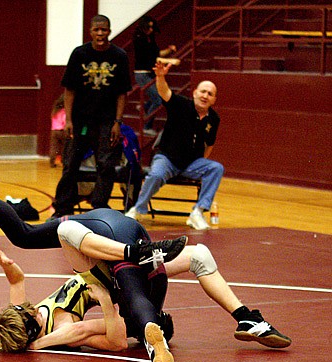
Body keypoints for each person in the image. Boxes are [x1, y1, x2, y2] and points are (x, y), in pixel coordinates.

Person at [0, 164, 291, 350]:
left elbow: (101, 335)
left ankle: (138, 255)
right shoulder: (31, 310)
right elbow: (18, 285)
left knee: (124, 287)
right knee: (200, 256)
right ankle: (247, 318)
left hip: (101, 249)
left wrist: (36, 346)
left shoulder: (57, 328)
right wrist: (6, 267)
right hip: (101, 225)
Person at [0, 238, 175, 362]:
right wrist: (105, 301)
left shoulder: (24, 319)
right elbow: (117, 342)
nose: (34, 309)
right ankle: (152, 324)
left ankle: (150, 321)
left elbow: (17, 281)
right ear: (33, 331)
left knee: (184, 260)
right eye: (34, 314)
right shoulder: (66, 332)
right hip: (115, 283)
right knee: (186, 259)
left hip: (103, 275)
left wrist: (5, 264)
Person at [126, 61, 224, 230]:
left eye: (210, 93)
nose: (205, 95)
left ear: (214, 99)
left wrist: (200, 163)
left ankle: (198, 212)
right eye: (203, 91)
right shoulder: (180, 104)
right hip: (167, 158)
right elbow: (164, 92)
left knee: (216, 168)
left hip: (191, 163)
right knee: (156, 175)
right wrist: (160, 76)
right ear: (194, 93)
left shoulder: (213, 119)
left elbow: (210, 144)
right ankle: (137, 210)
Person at [51, 14, 132, 218]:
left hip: (106, 121)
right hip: (80, 121)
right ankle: (62, 209)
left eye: (104, 30)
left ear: (109, 31)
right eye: (96, 30)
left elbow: (122, 93)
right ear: (90, 32)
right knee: (70, 164)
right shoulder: (79, 54)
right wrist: (68, 120)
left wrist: (117, 122)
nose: (100, 34)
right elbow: (69, 90)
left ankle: (99, 208)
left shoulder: (119, 56)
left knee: (106, 165)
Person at [133, 15, 177, 135]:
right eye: (149, 27)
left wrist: (168, 51)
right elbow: (155, 56)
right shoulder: (140, 39)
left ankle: (145, 107)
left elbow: (156, 53)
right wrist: (168, 55)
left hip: (147, 72)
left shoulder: (148, 39)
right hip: (142, 73)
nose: (151, 30)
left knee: (158, 96)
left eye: (152, 28)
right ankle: (146, 126)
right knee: (158, 99)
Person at [49, 94, 67, 167]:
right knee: (64, 146)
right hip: (62, 131)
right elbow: (65, 121)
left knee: (54, 147)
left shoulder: (55, 111)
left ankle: (52, 162)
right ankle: (64, 161)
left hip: (54, 130)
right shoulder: (65, 111)